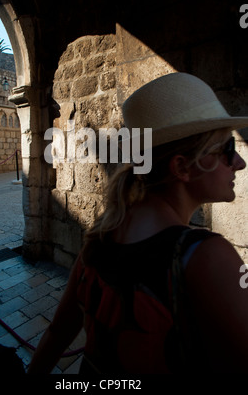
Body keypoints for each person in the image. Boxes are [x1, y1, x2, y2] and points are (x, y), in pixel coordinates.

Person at [28, 72, 248, 374]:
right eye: (227, 149)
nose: (239, 162)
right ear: (182, 166)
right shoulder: (208, 257)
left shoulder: (101, 237)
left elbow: (57, 334)